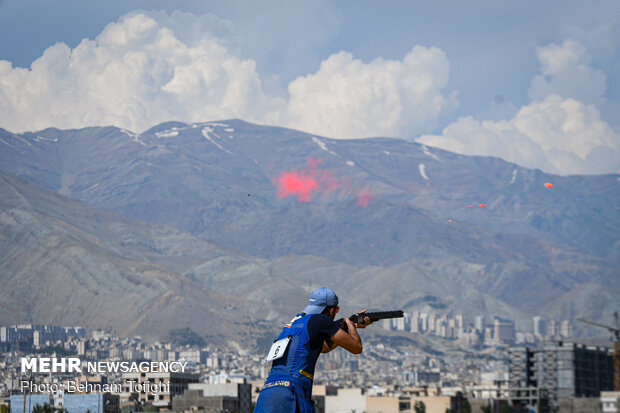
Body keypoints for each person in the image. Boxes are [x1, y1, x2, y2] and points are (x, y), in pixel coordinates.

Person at [253, 287, 371, 412]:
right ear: (332, 310)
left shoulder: (293, 323)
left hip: (267, 394)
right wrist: (352, 326)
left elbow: (323, 348)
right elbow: (356, 347)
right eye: (336, 310)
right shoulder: (321, 320)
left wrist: (347, 330)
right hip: (291, 395)